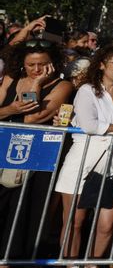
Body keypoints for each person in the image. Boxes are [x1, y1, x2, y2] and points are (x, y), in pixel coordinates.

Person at [54, 46, 113, 261]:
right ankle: (71, 264)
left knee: (107, 225)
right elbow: (89, 124)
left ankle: (92, 264)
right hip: (82, 159)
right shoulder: (87, 90)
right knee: (75, 221)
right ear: (102, 65)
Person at [0, 40, 74, 259]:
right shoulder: (11, 79)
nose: (36, 69)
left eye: (42, 64)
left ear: (52, 63)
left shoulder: (63, 86)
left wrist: (37, 84)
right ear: (22, 63)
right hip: (5, 150)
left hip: (38, 156)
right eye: (31, 65)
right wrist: (11, 109)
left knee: (23, 210)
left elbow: (33, 116)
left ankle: (13, 259)